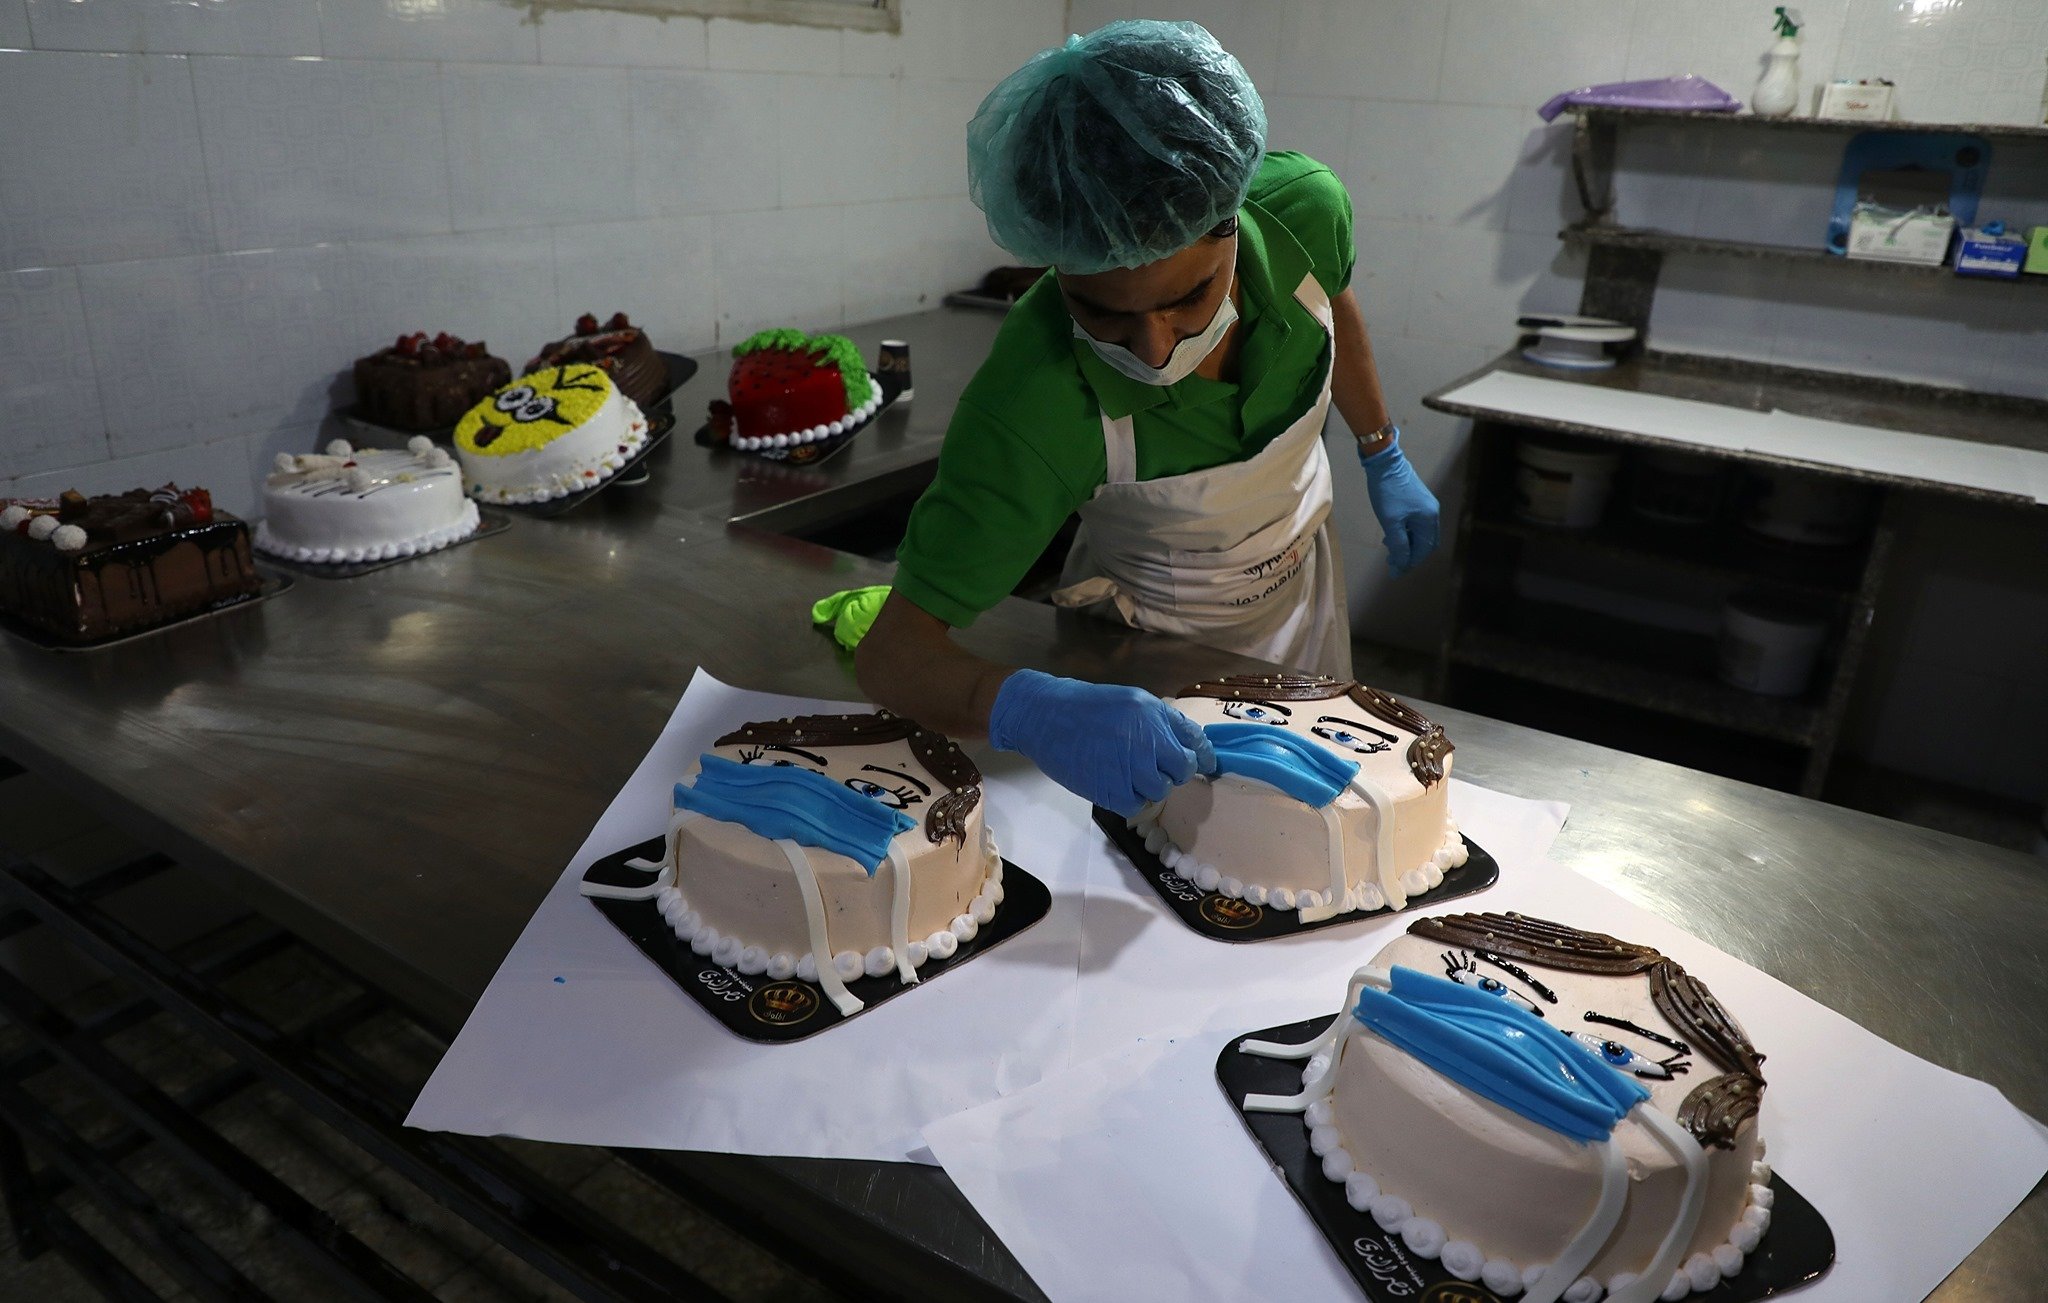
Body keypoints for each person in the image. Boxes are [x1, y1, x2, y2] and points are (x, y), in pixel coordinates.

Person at [855, 20, 1439, 818]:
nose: (1157, 347)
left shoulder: (1303, 210)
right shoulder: (1035, 402)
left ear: (1231, 222)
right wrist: (1015, 703)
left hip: (1304, 588)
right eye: (1104, 314)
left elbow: (1332, 295)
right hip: (1144, 653)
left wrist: (1382, 451)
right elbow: (893, 656)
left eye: (1187, 298)